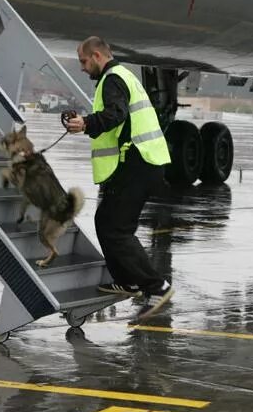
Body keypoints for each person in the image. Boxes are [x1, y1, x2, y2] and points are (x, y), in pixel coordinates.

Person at [64, 36, 174, 319]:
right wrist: (88, 121)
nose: (82, 68)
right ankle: (128, 282)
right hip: (139, 163)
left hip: (136, 163)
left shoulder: (112, 78)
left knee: (117, 230)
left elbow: (116, 114)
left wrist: (87, 123)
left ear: (98, 56)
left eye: (84, 61)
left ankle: (156, 286)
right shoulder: (120, 76)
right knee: (105, 221)